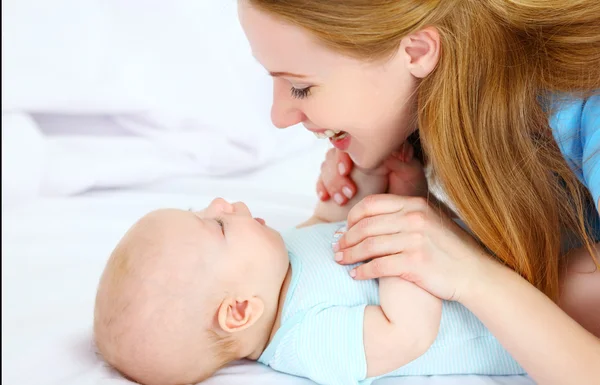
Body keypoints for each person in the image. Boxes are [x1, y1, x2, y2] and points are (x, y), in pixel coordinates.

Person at [237, 1, 600, 385]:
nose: (279, 116)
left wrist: (475, 273)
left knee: (573, 287)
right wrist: (412, 204)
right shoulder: (470, 98)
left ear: (418, 51)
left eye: (301, 87)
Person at [94, 156, 527, 385]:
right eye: (217, 225)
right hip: (521, 318)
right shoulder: (307, 340)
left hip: (505, 245)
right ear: (240, 310)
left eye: (201, 208)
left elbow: (328, 229)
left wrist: (352, 185)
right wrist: (402, 214)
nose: (221, 203)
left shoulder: (277, 261)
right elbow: (407, 333)